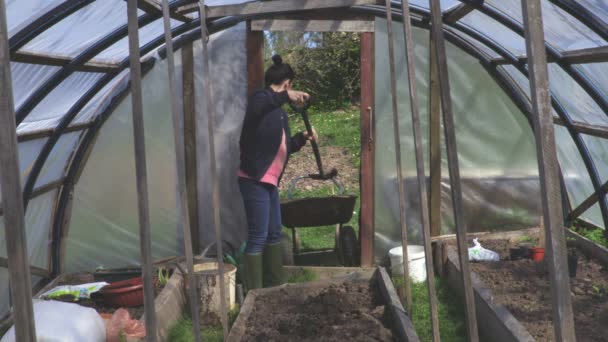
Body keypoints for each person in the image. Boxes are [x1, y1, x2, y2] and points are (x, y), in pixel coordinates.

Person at [238, 55, 316, 290]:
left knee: (274, 234)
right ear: (288, 83)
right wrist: (284, 96)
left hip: (270, 182)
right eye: (290, 87)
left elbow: (283, 147)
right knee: (258, 236)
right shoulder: (260, 99)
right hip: (254, 180)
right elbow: (259, 106)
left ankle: (274, 287)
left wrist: (302, 138)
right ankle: (255, 292)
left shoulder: (280, 113)